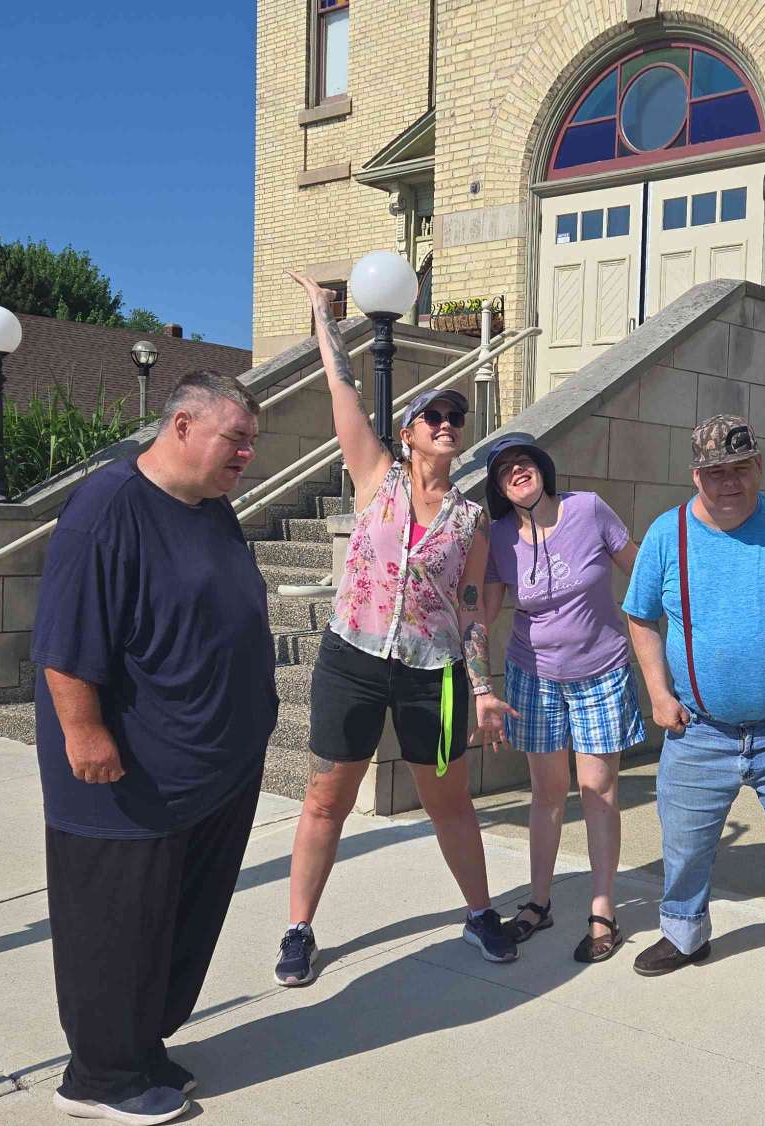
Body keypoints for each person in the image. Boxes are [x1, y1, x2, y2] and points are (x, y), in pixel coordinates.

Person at [31, 370, 278, 1125]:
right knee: (115, 925)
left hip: (210, 770)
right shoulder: (106, 509)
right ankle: (99, 1078)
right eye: (235, 439)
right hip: (130, 773)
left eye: (250, 444)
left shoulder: (212, 511)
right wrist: (84, 730)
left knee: (176, 921)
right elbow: (65, 645)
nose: (246, 456)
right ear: (180, 426)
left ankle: (140, 1048)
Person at [275, 270, 518, 987]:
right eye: (432, 418)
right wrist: (323, 315)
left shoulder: (473, 520)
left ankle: (479, 913)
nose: (446, 426)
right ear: (408, 434)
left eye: (455, 419)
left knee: (447, 800)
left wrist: (481, 689)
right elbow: (342, 390)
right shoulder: (374, 476)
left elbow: (472, 611)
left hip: (431, 674)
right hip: (350, 658)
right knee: (328, 797)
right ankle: (298, 927)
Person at [622, 414, 765, 1016]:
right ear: (696, 474)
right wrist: (659, 693)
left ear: (759, 467)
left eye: (740, 469)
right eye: (715, 472)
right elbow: (641, 616)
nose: (729, 483)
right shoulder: (666, 535)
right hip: (698, 729)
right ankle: (683, 933)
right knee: (686, 840)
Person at [478, 434, 646, 963]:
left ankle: (602, 911)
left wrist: (676, 631)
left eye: (524, 462)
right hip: (534, 675)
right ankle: (539, 901)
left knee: (597, 789)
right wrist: (475, 679)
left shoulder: (588, 509)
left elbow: (640, 572)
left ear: (542, 470)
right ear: (501, 490)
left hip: (601, 668)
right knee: (547, 792)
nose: (517, 471)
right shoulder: (500, 536)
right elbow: (481, 612)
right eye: (505, 470)